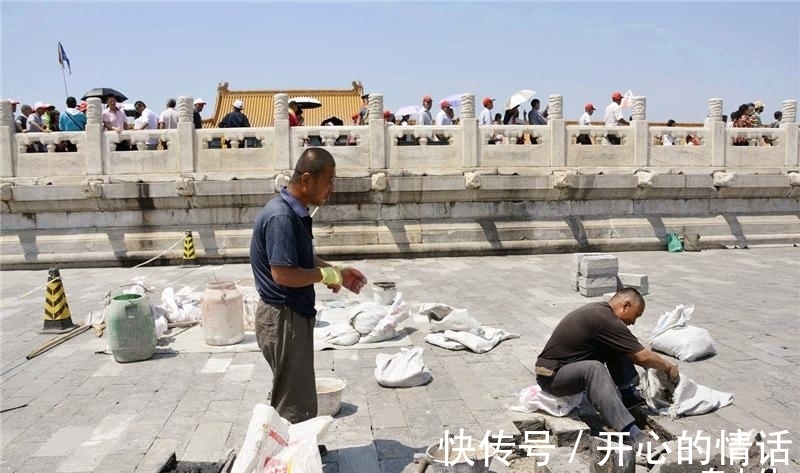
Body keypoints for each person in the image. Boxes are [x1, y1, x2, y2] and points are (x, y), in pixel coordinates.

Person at [250, 148, 367, 445]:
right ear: (306, 179)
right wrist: (324, 276)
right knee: (293, 401)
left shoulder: (293, 211)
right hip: (283, 317)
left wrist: (336, 271)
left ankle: (295, 450)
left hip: (289, 316)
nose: (332, 188)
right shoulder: (281, 217)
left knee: (294, 390)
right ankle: (291, 457)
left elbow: (300, 258)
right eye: (328, 180)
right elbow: (284, 274)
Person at [535, 288, 679, 452]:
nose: (634, 322)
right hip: (552, 377)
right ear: (626, 305)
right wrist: (668, 367)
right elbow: (641, 357)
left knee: (621, 346)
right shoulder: (605, 320)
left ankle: (629, 397)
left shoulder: (603, 313)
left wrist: (654, 371)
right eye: (636, 315)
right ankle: (630, 433)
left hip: (566, 369)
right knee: (594, 369)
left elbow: (636, 352)